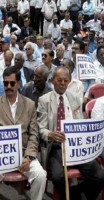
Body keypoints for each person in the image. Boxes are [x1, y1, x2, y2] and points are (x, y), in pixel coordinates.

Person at [37, 66, 104, 200]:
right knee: (57, 176)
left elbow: (80, 122)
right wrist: (50, 134)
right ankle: (75, 196)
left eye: (65, 80)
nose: (62, 83)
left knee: (99, 176)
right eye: (59, 80)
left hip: (76, 146)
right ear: (53, 80)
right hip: (56, 146)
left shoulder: (74, 98)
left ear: (69, 81)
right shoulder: (44, 100)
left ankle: (78, 193)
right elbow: (41, 128)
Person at [0, 66, 47, 200]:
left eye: (12, 83)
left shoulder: (29, 104)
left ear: (19, 83)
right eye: (5, 83)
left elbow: (34, 134)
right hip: (0, 156)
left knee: (40, 175)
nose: (8, 86)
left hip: (24, 156)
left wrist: (28, 157)